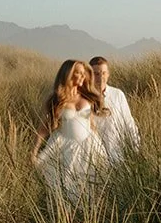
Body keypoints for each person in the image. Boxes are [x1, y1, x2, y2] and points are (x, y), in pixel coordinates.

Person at [33, 59, 109, 203]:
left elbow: (91, 124)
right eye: (78, 73)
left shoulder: (88, 97)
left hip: (89, 146)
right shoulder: (57, 100)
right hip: (65, 147)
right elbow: (44, 128)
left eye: (83, 73)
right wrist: (35, 151)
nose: (82, 76)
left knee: (91, 189)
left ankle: (89, 222)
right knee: (66, 189)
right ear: (68, 75)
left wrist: (100, 149)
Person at [89, 56, 140, 161]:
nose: (100, 77)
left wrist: (135, 148)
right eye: (96, 74)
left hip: (117, 153)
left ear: (108, 74)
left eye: (103, 73)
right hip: (93, 156)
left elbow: (129, 123)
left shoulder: (117, 95)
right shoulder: (84, 98)